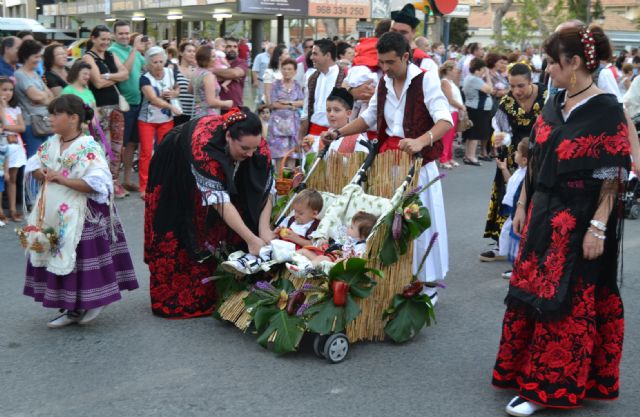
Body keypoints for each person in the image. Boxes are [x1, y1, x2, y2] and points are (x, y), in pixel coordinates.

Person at [493, 26, 630, 417]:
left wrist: (599, 227)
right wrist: (521, 204)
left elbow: (612, 174)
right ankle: (526, 372)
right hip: (542, 211)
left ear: (574, 64)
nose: (548, 70)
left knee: (567, 298)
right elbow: (535, 157)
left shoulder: (606, 109)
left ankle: (548, 387)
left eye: (553, 63)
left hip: (579, 217)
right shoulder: (555, 100)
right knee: (533, 290)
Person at [321, 32, 453, 303]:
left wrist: (421, 140)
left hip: (418, 164)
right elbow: (369, 118)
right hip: (387, 163)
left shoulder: (426, 79)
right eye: (381, 62)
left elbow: (445, 120)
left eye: (390, 62)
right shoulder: (383, 81)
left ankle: (427, 284)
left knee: (420, 224)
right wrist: (339, 132)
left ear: (406, 57)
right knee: (386, 222)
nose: (385, 67)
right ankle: (395, 278)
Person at [144, 108, 274, 319]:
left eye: (254, 148)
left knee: (237, 210)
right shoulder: (204, 146)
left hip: (217, 161)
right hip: (177, 161)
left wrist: (264, 229)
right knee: (184, 223)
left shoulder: (255, 144)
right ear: (229, 137)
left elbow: (265, 189)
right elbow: (220, 202)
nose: (250, 154)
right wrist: (251, 239)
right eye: (244, 148)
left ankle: (224, 284)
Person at [22, 95, 138, 328]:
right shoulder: (51, 143)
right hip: (54, 211)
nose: (51, 119)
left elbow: (98, 183)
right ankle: (71, 306)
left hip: (80, 212)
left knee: (76, 259)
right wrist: (43, 173)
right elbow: (34, 167)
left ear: (73, 118)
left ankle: (80, 305)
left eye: (56, 114)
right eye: (50, 113)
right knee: (57, 254)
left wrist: (62, 179)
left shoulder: (88, 147)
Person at [481, 63, 546, 261]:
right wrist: (501, 138)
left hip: (541, 153)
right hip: (514, 153)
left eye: (521, 86)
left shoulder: (547, 96)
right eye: (512, 86)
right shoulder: (506, 103)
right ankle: (502, 244)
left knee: (538, 197)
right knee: (506, 194)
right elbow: (501, 130)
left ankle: (534, 245)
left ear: (530, 81)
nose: (516, 91)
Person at [221, 189, 322, 275]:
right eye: (295, 211)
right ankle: (241, 262)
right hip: (278, 248)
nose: (296, 215)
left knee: (269, 250)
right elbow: (276, 236)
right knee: (267, 247)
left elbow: (313, 245)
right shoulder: (291, 220)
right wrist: (278, 232)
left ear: (314, 213)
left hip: (293, 251)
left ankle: (250, 264)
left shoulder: (316, 227)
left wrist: (296, 238)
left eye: (300, 213)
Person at [83, 25, 130, 199]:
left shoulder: (111, 54)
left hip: (116, 106)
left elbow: (125, 74)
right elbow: (97, 83)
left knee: (117, 146)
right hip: (99, 108)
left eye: (108, 39)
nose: (106, 42)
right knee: (101, 146)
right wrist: (114, 77)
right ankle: (99, 182)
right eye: (102, 38)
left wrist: (108, 76)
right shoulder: (89, 57)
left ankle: (114, 181)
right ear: (93, 38)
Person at [137, 46, 181, 199]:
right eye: (154, 62)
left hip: (166, 119)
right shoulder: (145, 78)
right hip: (147, 119)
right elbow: (153, 99)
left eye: (161, 61)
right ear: (149, 63)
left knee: (165, 151)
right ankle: (144, 186)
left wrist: (174, 93)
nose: (158, 65)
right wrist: (171, 106)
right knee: (146, 153)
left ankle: (162, 183)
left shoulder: (170, 72)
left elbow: (178, 87)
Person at [108, 21, 146, 195]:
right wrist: (134, 49)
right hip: (124, 105)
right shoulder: (113, 51)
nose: (124, 36)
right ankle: (113, 180)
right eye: (121, 33)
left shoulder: (136, 52)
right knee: (119, 145)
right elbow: (126, 73)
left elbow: (144, 68)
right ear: (115, 35)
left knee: (132, 143)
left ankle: (127, 180)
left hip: (138, 102)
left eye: (126, 33)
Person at [291, 211, 378, 275]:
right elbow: (336, 241)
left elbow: (356, 261)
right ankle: (291, 257)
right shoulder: (349, 238)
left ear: (362, 236)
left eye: (351, 227)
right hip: (330, 255)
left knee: (322, 259)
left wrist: (345, 261)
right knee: (305, 251)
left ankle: (304, 269)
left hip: (336, 263)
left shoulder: (360, 247)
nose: (348, 227)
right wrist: (327, 241)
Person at [299, 39, 346, 152]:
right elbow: (306, 112)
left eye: (315, 54)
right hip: (312, 137)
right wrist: (300, 137)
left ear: (328, 55)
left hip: (336, 137)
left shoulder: (345, 76)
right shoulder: (312, 78)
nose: (311, 57)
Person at [14, 40, 54, 158]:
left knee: (45, 157)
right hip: (31, 123)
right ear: (26, 56)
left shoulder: (35, 74)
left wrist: (44, 98)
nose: (39, 59)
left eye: (40, 56)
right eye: (36, 56)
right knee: (34, 157)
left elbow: (50, 95)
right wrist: (45, 97)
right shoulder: (20, 74)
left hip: (44, 121)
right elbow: (35, 96)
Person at [495, 138, 529, 279]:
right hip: (512, 210)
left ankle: (519, 269)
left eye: (517, 152)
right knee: (509, 236)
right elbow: (510, 182)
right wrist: (504, 169)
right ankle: (516, 267)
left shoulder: (527, 174)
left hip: (518, 212)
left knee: (517, 239)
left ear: (525, 159)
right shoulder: (519, 171)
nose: (514, 154)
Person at [267, 57, 303, 167]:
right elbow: (273, 104)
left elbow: (302, 102)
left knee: (292, 155)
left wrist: (288, 103)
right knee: (279, 157)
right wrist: (292, 104)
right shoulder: (275, 85)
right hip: (278, 124)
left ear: (295, 71)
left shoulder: (297, 85)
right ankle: (278, 182)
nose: (286, 71)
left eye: (289, 69)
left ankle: (291, 182)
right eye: (284, 69)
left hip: (294, 125)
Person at [0, 77, 26, 222]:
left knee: (13, 179)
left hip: (15, 146)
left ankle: (12, 209)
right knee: (1, 178)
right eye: (4, 89)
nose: (8, 93)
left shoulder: (16, 108)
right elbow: (3, 123)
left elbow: (21, 127)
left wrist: (7, 127)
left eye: (10, 90)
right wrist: (2, 108)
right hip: (2, 147)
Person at [390, 4, 438, 74]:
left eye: (403, 32)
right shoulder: (380, 56)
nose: (397, 35)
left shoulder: (424, 62)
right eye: (394, 31)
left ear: (413, 32)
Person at [462, 58, 493, 165]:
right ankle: (471, 156)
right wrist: (488, 77)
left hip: (474, 108)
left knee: (472, 133)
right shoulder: (475, 79)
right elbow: (490, 89)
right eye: (483, 70)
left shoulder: (469, 78)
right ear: (478, 69)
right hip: (478, 109)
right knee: (475, 134)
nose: (484, 73)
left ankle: (468, 155)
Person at [324, 87, 370, 155]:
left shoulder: (358, 139)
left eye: (336, 110)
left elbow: (363, 163)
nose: (331, 114)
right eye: (328, 110)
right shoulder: (324, 137)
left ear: (348, 113)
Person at [191, 45, 233, 117]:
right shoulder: (208, 76)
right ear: (206, 59)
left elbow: (190, 90)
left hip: (197, 114)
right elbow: (211, 102)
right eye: (213, 56)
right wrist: (227, 103)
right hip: (209, 116)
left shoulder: (196, 72)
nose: (216, 58)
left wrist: (201, 97)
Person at [439, 60, 464, 169]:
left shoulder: (451, 82)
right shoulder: (445, 82)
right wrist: (462, 106)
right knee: (446, 137)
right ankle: (443, 159)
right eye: (454, 69)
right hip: (449, 111)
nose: (456, 71)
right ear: (449, 70)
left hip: (454, 111)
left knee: (451, 137)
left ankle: (449, 157)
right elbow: (450, 99)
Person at [213, 37, 248, 107]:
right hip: (216, 106)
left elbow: (235, 73)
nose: (232, 49)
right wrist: (229, 76)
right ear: (222, 48)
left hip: (235, 106)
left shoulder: (241, 62)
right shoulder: (214, 61)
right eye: (229, 46)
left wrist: (212, 70)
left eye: (235, 47)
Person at [173, 41, 197, 126]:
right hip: (177, 113)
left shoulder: (196, 70)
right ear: (181, 53)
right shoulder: (174, 68)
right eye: (189, 51)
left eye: (194, 51)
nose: (192, 54)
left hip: (193, 114)